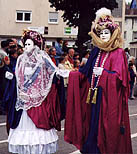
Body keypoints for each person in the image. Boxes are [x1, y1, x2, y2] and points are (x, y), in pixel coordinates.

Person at [64, 7, 132, 154]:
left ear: (113, 33)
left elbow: (121, 79)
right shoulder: (97, 51)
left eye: (107, 33)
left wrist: (105, 73)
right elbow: (85, 73)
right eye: (101, 33)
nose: (104, 36)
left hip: (109, 99)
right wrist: (69, 74)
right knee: (93, 126)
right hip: (94, 97)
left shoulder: (118, 52)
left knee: (108, 130)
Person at [7, 30, 69, 154]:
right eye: (25, 44)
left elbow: (54, 71)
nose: (26, 47)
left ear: (36, 45)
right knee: (23, 130)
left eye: (29, 44)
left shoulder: (43, 59)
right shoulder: (21, 59)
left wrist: (68, 74)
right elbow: (18, 77)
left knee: (38, 131)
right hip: (24, 99)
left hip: (38, 99)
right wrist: (10, 77)